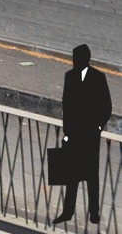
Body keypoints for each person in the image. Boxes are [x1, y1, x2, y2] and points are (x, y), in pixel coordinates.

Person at [57, 44, 112, 223]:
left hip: (89, 134)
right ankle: (68, 212)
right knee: (71, 176)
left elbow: (106, 105)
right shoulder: (69, 76)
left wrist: (98, 127)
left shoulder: (98, 77)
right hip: (74, 134)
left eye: (77, 58)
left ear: (84, 59)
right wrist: (67, 132)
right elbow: (66, 105)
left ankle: (94, 213)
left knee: (91, 176)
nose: (74, 61)